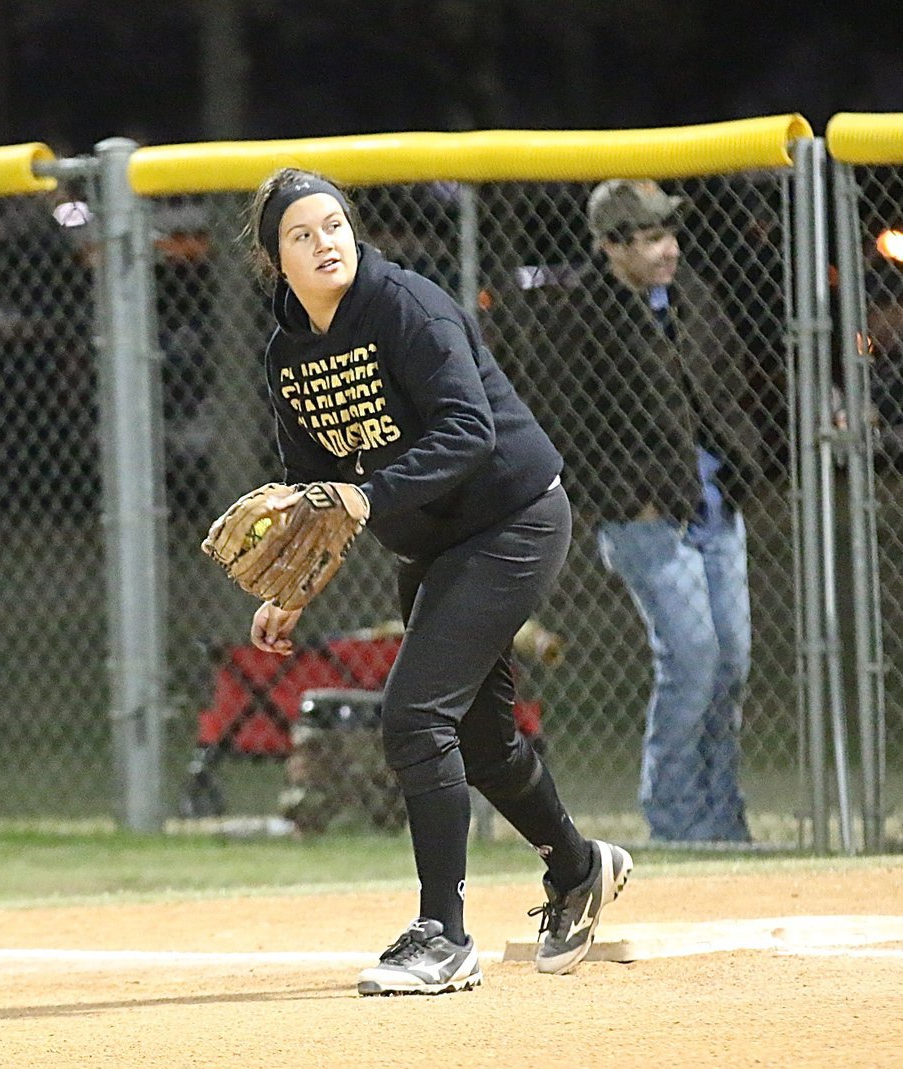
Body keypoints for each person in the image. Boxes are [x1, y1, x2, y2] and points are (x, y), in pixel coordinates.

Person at [238, 167, 632, 996]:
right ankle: (576, 867)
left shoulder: (405, 308)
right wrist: (294, 582)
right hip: (434, 546)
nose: (324, 243)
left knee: (414, 717)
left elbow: (468, 431)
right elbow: (312, 483)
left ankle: (442, 935)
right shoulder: (289, 352)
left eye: (334, 224)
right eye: (300, 235)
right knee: (481, 741)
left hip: (512, 519)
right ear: (275, 260)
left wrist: (368, 494)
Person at [524, 179, 762, 844]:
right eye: (651, 237)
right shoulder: (583, 318)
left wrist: (739, 460)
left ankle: (723, 822)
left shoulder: (692, 297)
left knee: (729, 665)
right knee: (690, 660)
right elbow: (564, 427)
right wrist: (631, 498)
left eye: (668, 233)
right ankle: (675, 820)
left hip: (715, 511)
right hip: (647, 520)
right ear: (610, 245)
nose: (668, 249)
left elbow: (730, 386)